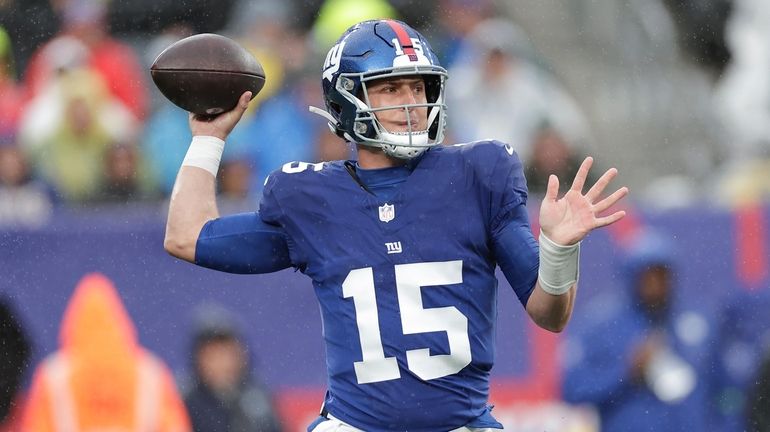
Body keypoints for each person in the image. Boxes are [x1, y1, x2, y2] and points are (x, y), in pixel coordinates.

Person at [164, 19, 628, 431]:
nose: (411, 103)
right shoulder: (312, 199)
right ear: (345, 100)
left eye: (419, 87)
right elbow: (188, 237)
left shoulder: (477, 175)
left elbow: (551, 314)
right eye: (391, 88)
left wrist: (559, 249)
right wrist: (208, 139)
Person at [560, 232, 713, 431]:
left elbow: (722, 390)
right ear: (631, 277)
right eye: (648, 275)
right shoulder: (600, 324)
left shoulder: (697, 321)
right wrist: (627, 372)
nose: (656, 284)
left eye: (662, 275)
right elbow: (571, 389)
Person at [22, 273, 191, 432]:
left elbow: (38, 425)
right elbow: (173, 425)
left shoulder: (55, 374)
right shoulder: (149, 371)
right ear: (118, 319)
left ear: (73, 320)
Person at [181, 305, 283, 432]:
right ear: (198, 359)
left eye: (225, 354)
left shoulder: (259, 398)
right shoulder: (183, 401)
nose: (220, 363)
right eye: (212, 355)